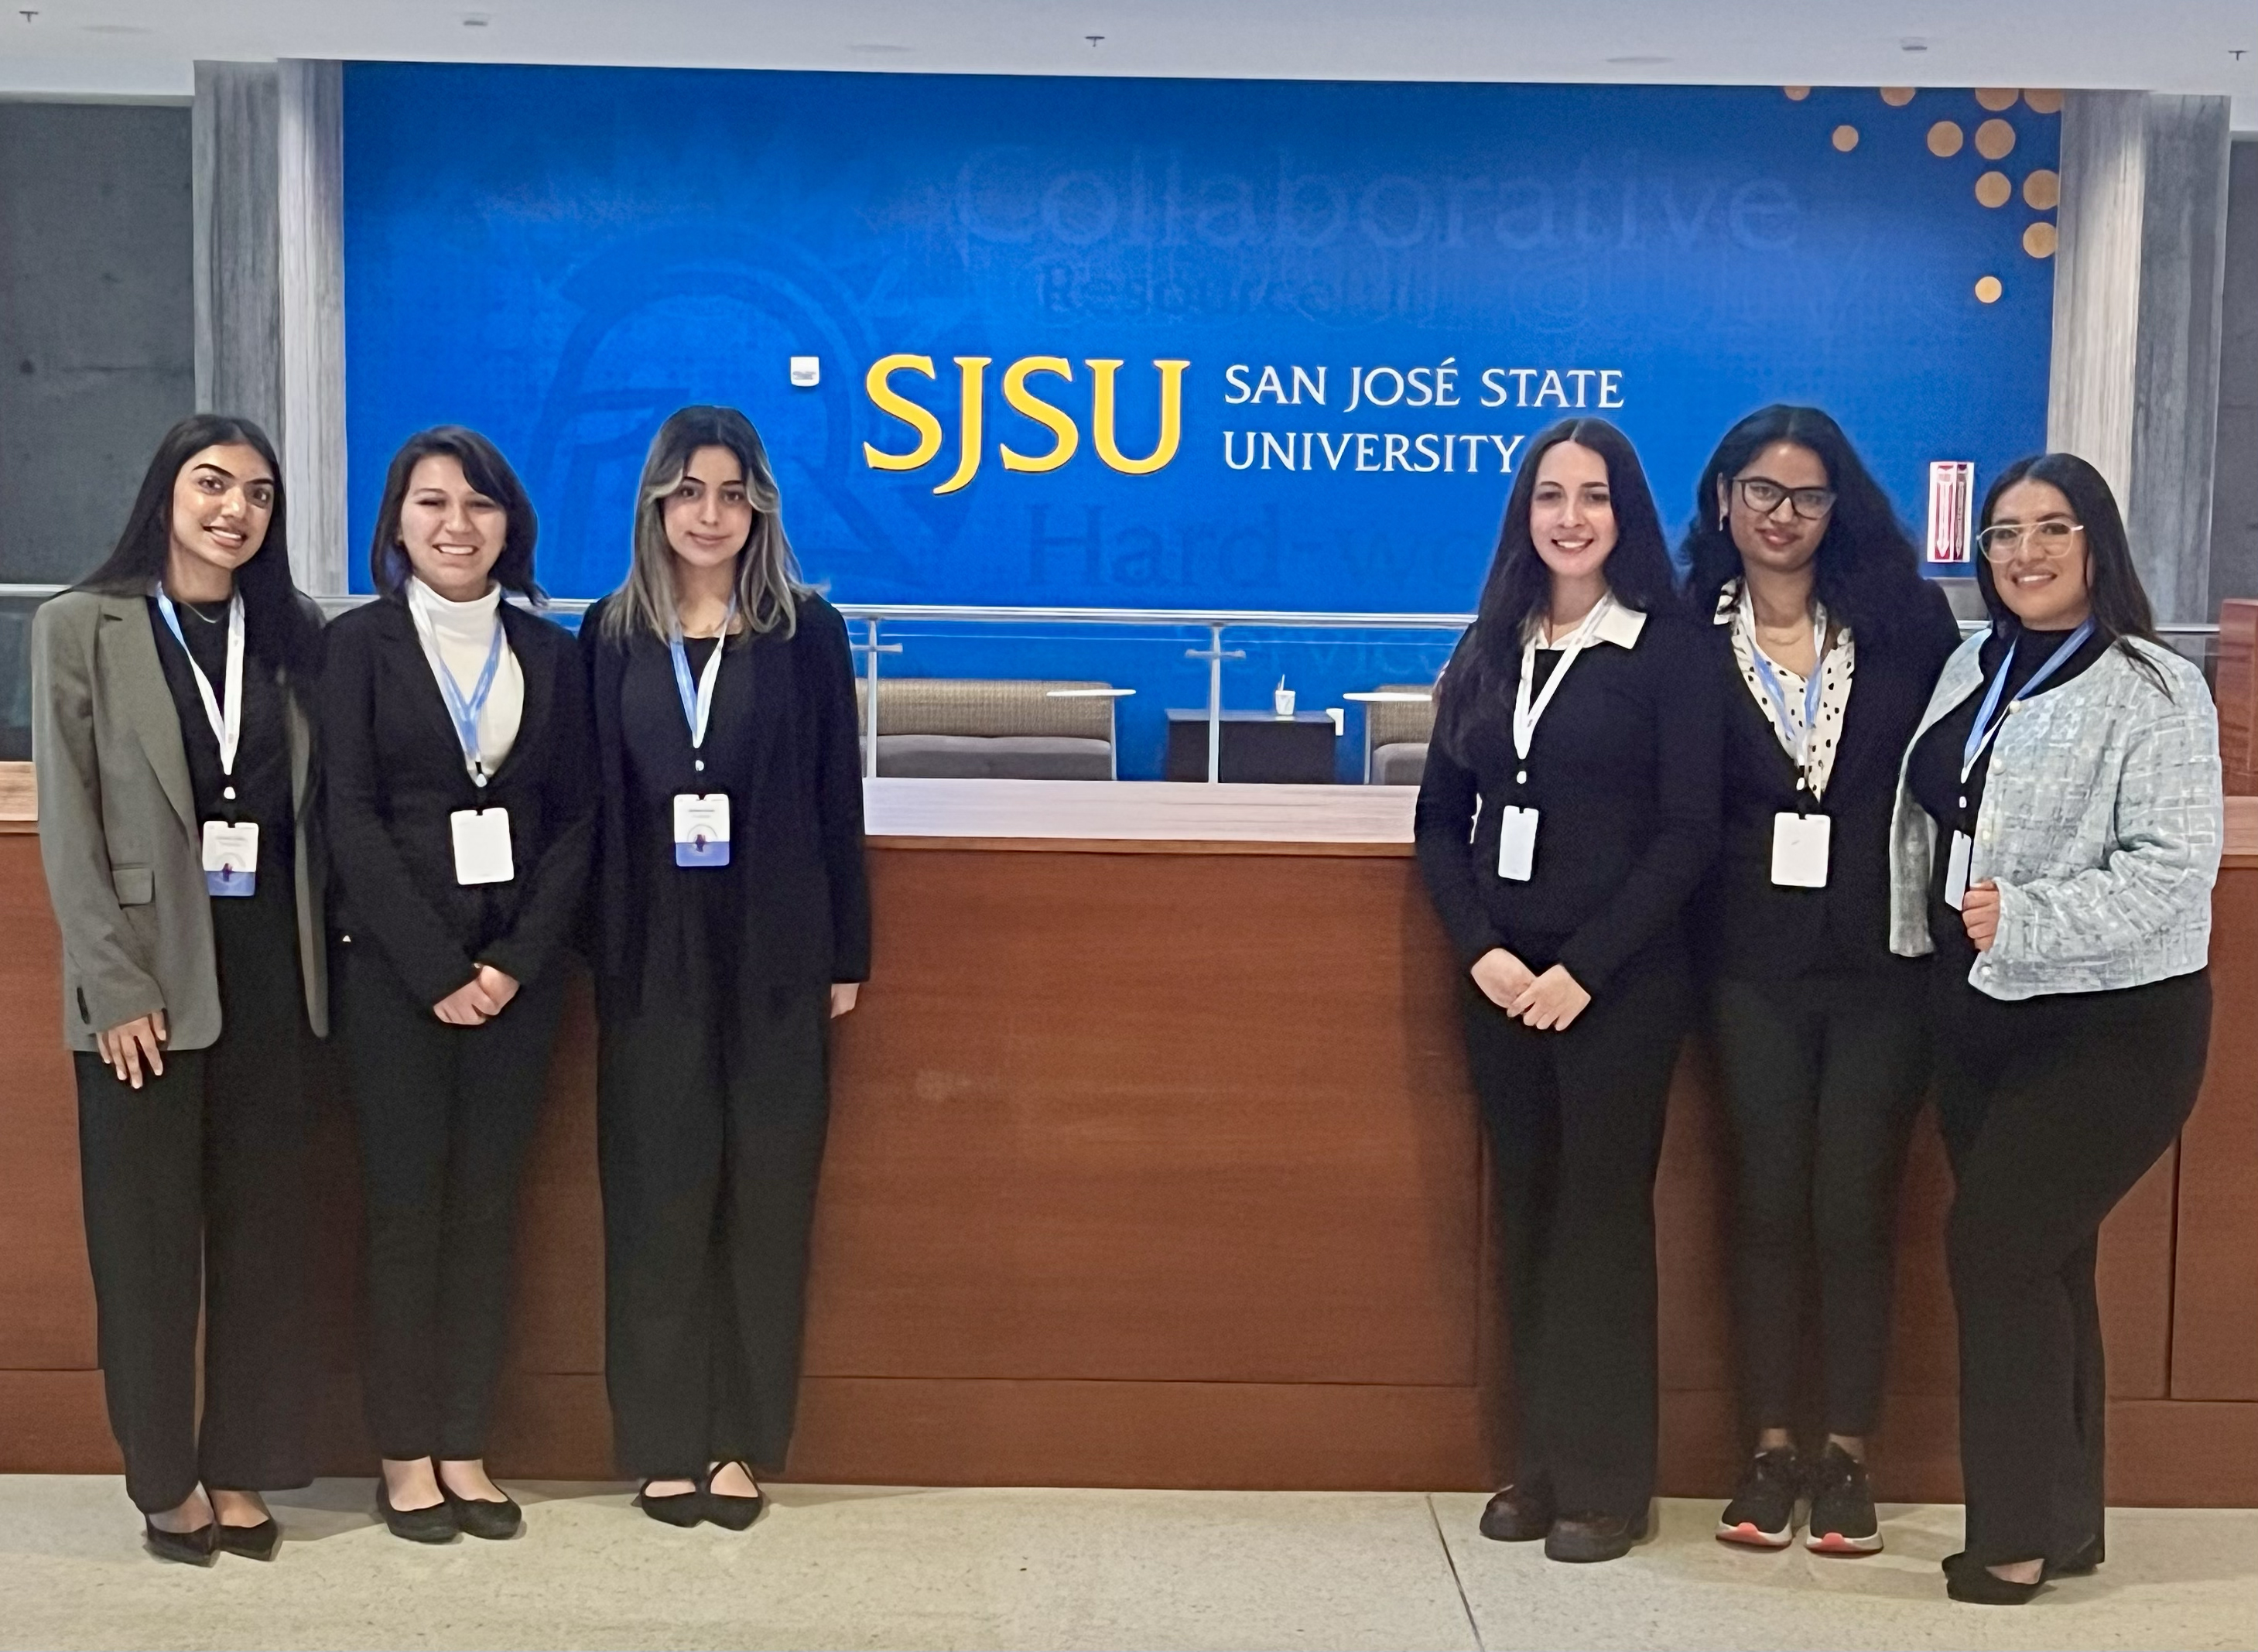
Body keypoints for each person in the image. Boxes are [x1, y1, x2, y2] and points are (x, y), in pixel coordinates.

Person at [1893, 453, 2219, 1604]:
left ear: (2097, 544)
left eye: (2051, 529)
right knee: (2046, 1263)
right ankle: (2066, 1520)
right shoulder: (1973, 664)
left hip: (2112, 1025)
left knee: (1995, 1247)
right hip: (1980, 1011)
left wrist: (2027, 917)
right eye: (2003, 533)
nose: (2023, 553)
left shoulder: (2155, 687)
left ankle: (2014, 1537)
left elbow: (2173, 870)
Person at [1415, 417, 1721, 1563]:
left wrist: (1582, 969)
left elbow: (1687, 836)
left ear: (1624, 513)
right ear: (1524, 513)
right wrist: (1482, 951)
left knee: (1600, 1224)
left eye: (1593, 495)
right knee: (1529, 1215)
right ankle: (1536, 1466)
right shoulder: (1491, 642)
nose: (1570, 517)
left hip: (1617, 988)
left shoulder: (1668, 650)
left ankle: (1609, 1483)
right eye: (1550, 495)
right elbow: (1440, 822)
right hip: (1500, 984)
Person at [32, 415, 327, 1565]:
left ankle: (242, 1466)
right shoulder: (81, 625)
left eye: (258, 494)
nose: (234, 510)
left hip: (273, 977)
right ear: (165, 494)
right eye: (212, 485)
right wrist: (112, 986)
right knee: (147, 1254)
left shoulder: (294, 633)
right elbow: (70, 823)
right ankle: (165, 1483)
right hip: (146, 984)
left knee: (264, 1247)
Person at [1680, 406, 1962, 1554]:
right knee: (1763, 1199)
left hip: (1884, 959)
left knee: (1853, 1203)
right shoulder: (1682, 630)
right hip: (1745, 962)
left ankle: (1846, 1455)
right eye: (1760, 491)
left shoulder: (1906, 622)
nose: (1781, 516)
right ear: (1722, 499)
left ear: (1838, 506)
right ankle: (1767, 1450)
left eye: (1805, 496)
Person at [582, 405, 870, 1528]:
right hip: (651, 957)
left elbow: (836, 799)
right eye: (690, 492)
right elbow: (589, 809)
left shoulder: (807, 631)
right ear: (657, 502)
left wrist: (846, 951)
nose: (711, 515)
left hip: (777, 952)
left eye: (733, 494)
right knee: (657, 1201)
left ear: (761, 509)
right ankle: (662, 1442)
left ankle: (741, 1442)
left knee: (766, 1201)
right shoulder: (609, 633)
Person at [321, 426, 594, 1544]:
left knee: (488, 1216)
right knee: (404, 1217)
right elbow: (347, 816)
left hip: (517, 984)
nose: (456, 524)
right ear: (397, 522)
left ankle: (465, 1447)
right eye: (431, 502)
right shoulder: (357, 647)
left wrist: (513, 963)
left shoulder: (553, 654)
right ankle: (403, 1455)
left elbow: (576, 822)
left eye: (479, 504)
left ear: (508, 523)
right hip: (395, 982)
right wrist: (437, 969)